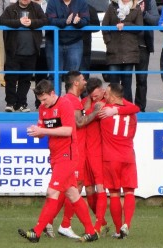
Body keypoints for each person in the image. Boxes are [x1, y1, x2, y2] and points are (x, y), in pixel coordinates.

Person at [18, 79, 99, 243]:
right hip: (55, 156)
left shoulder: (65, 105)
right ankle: (91, 232)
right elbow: (43, 130)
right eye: (40, 100)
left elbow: (69, 130)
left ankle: (37, 231)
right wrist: (37, 131)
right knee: (73, 193)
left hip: (67, 155)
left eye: (44, 99)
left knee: (52, 192)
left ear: (52, 93)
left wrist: (42, 130)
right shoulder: (43, 108)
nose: (42, 103)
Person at [57, 71, 102, 238]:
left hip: (76, 150)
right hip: (74, 150)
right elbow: (79, 122)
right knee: (73, 188)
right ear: (75, 83)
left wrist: (89, 101)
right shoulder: (71, 100)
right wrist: (96, 110)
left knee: (69, 188)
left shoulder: (71, 100)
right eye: (83, 79)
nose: (85, 82)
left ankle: (57, 223)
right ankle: (64, 224)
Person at [99, 83, 139, 238]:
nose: (105, 96)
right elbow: (134, 108)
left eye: (107, 93)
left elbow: (87, 114)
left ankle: (117, 230)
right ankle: (126, 225)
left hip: (111, 157)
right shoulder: (131, 111)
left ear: (114, 96)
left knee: (114, 193)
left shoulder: (103, 110)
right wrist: (118, 109)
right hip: (128, 155)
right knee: (129, 191)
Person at [0, 0, 48, 112]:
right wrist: (18, 22)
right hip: (13, 51)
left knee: (26, 79)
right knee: (11, 78)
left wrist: (32, 23)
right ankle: (10, 103)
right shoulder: (11, 8)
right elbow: (0, 21)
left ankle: (21, 104)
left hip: (31, 51)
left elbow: (45, 20)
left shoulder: (36, 8)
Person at [81, 77, 109, 236]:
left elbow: (130, 108)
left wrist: (90, 110)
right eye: (92, 96)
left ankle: (97, 227)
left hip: (98, 152)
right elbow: (80, 118)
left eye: (96, 96)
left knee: (100, 188)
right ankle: (103, 222)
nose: (94, 99)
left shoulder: (108, 102)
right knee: (89, 189)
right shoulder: (86, 101)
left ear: (102, 90)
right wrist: (91, 108)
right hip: (84, 152)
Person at [102, 0, 143, 102]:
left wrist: (125, 24)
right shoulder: (112, 7)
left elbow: (140, 28)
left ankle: (127, 108)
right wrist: (108, 42)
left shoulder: (136, 8)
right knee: (113, 82)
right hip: (114, 50)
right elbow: (104, 25)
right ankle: (112, 105)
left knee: (127, 83)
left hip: (130, 51)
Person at [45, 0, 90, 94]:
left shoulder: (81, 2)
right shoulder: (52, 2)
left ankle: (71, 105)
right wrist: (66, 21)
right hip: (54, 42)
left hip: (75, 42)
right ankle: (55, 104)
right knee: (54, 75)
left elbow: (86, 20)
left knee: (73, 77)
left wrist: (78, 21)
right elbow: (50, 20)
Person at [134, 0, 159, 112]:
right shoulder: (125, 1)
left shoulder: (150, 2)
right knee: (125, 78)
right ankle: (124, 107)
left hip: (143, 45)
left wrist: (144, 13)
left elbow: (155, 20)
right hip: (126, 45)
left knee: (142, 79)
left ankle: (140, 108)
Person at [32, 0, 49, 110]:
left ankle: (42, 102)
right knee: (26, 76)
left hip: (46, 44)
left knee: (42, 76)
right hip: (31, 43)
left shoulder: (48, 5)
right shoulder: (28, 5)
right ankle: (20, 103)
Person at [80, 4, 100, 81]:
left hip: (85, 47)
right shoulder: (67, 7)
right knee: (71, 76)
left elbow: (97, 27)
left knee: (84, 77)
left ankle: (84, 93)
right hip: (68, 46)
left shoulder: (90, 8)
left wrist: (82, 24)